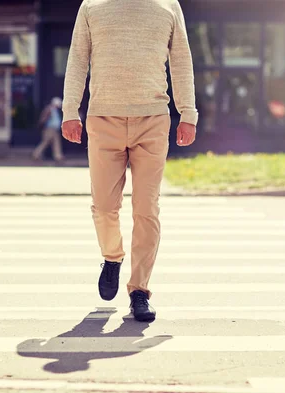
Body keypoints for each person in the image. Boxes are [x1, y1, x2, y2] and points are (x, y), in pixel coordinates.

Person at [61, 0, 197, 322]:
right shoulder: (92, 5)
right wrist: (70, 110)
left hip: (152, 120)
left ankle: (139, 291)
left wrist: (187, 112)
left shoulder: (168, 5)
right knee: (104, 207)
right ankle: (112, 257)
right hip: (103, 119)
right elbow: (78, 59)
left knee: (146, 209)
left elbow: (180, 61)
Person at [32, 97, 65, 162]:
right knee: (45, 142)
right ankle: (36, 154)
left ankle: (58, 156)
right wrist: (41, 125)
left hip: (55, 129)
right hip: (49, 129)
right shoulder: (49, 109)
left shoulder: (55, 110)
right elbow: (43, 118)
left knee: (56, 142)